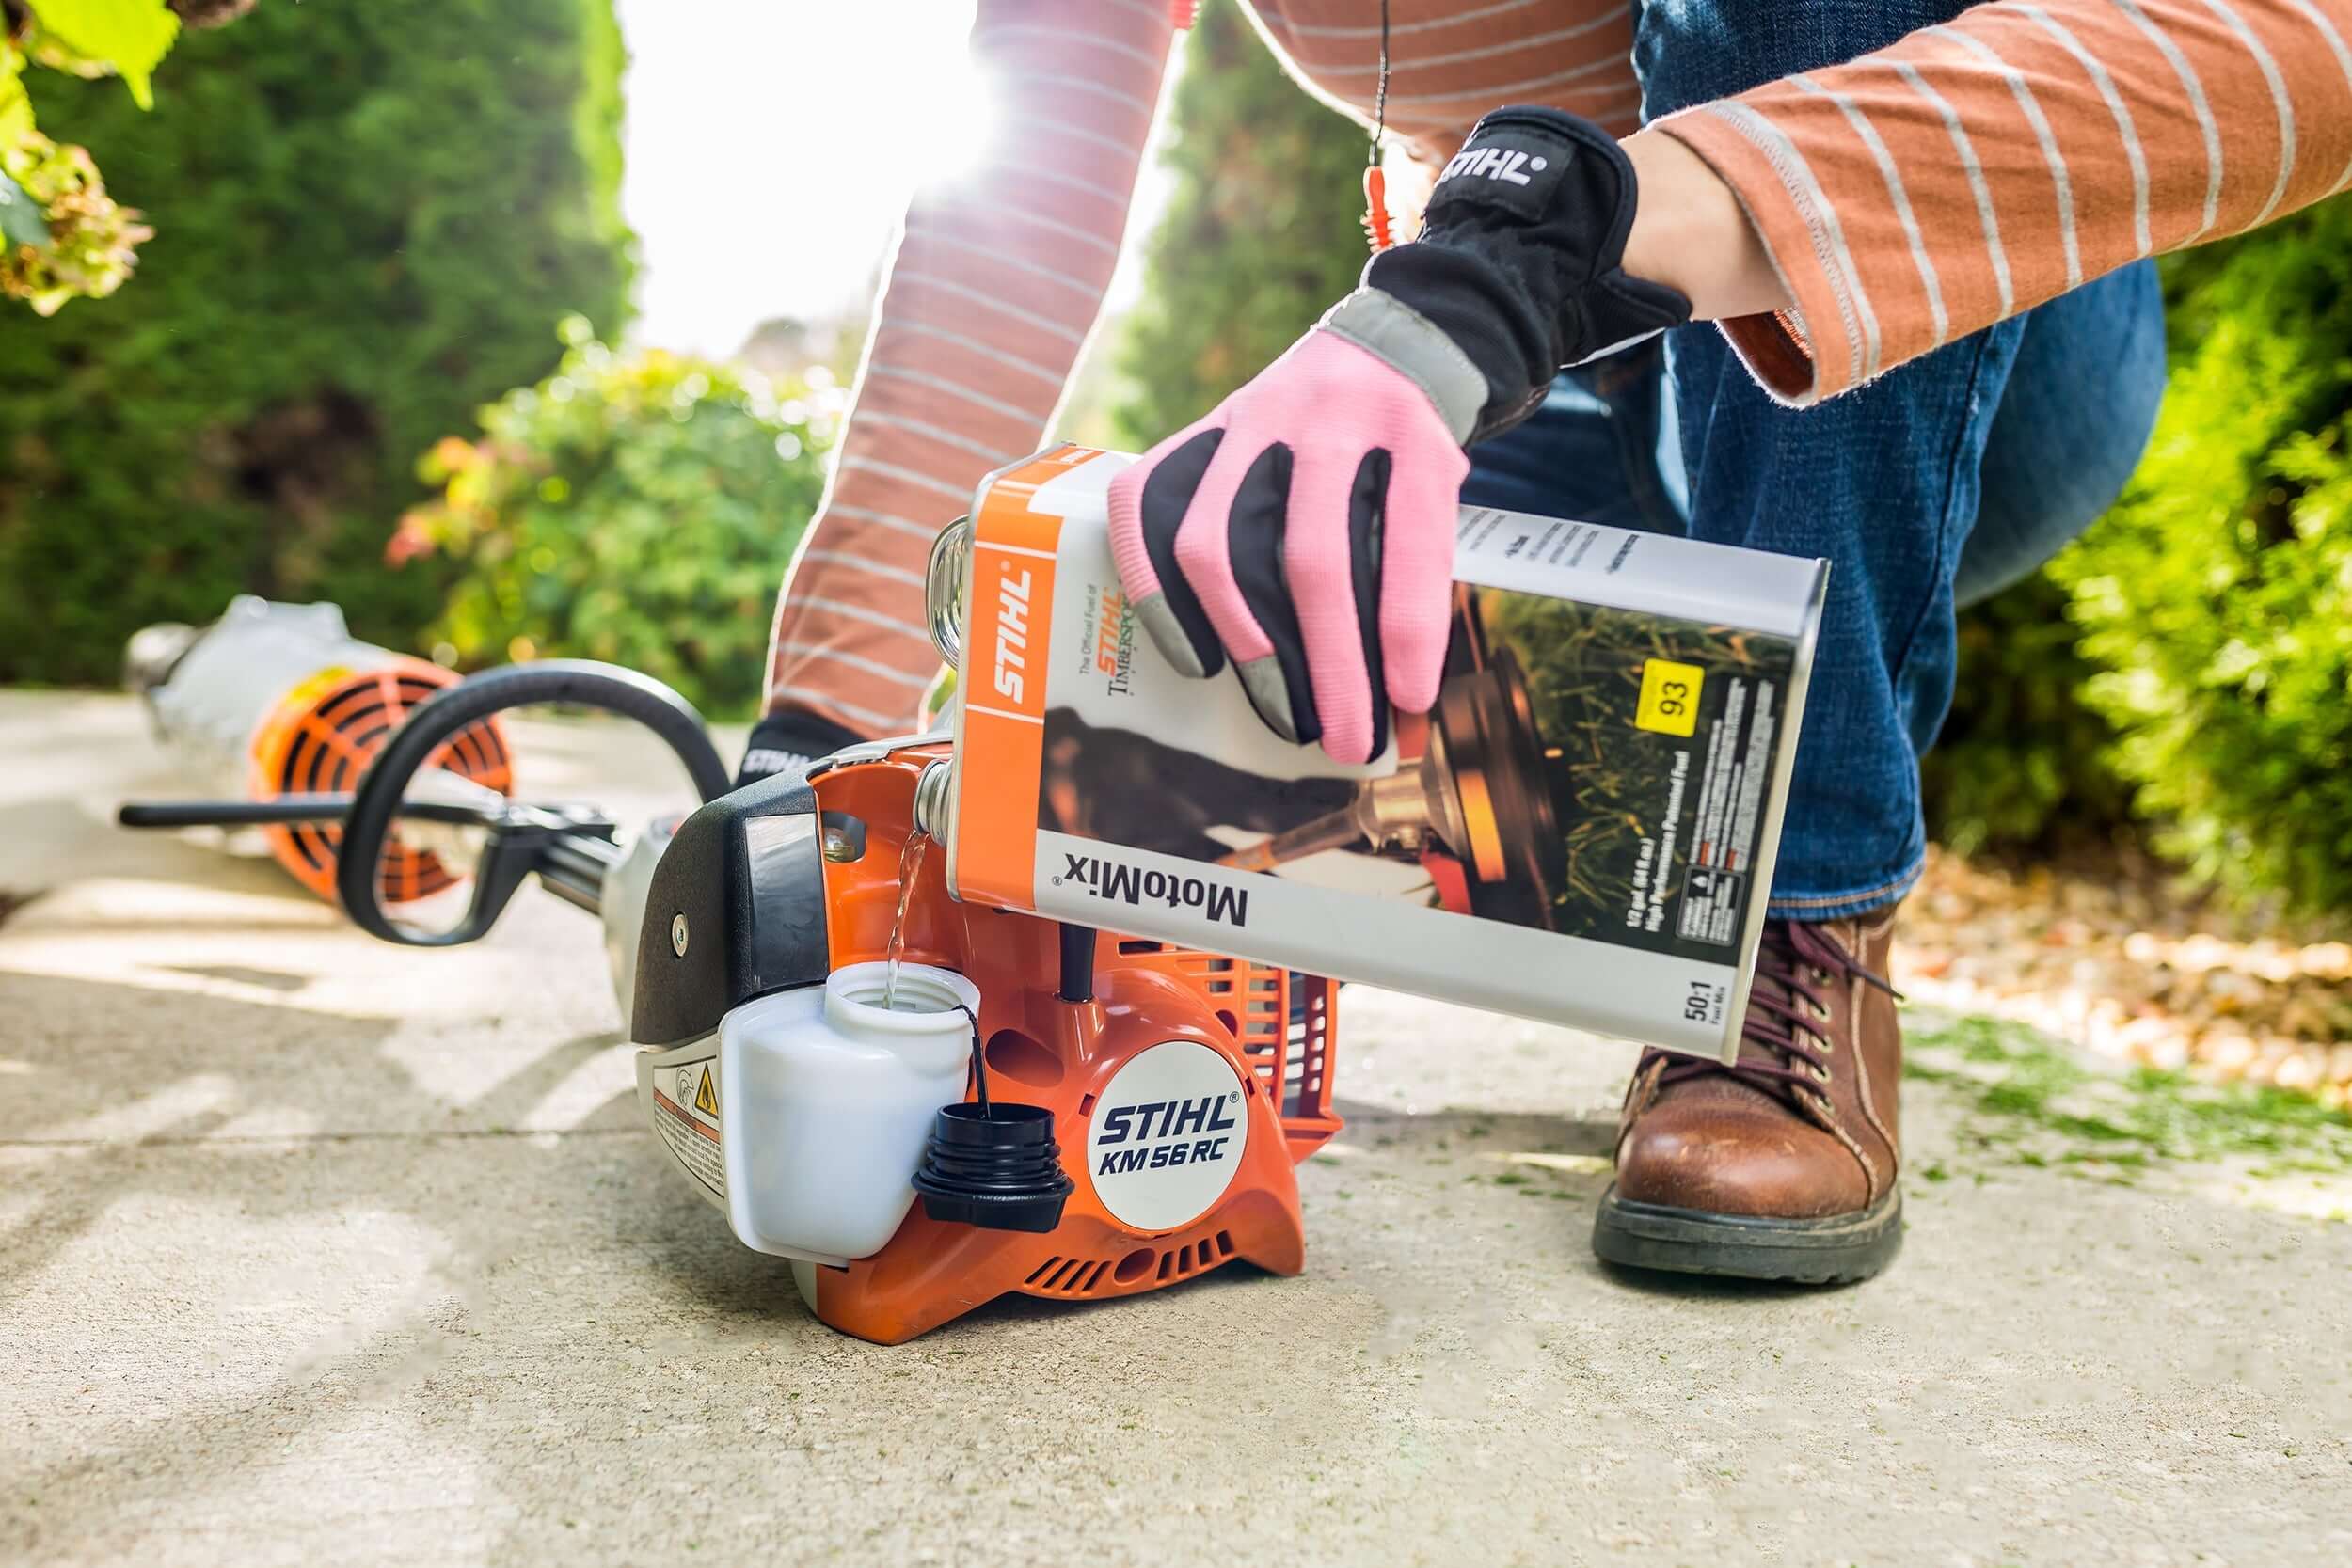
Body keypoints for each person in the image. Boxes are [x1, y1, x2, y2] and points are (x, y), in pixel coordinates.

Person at [745, 0, 2352, 1283]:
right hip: (1553, 361)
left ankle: (1796, 930)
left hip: (1957, 302)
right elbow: (1018, 196)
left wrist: (1564, 232)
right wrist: (814, 747)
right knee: (1209, 666)